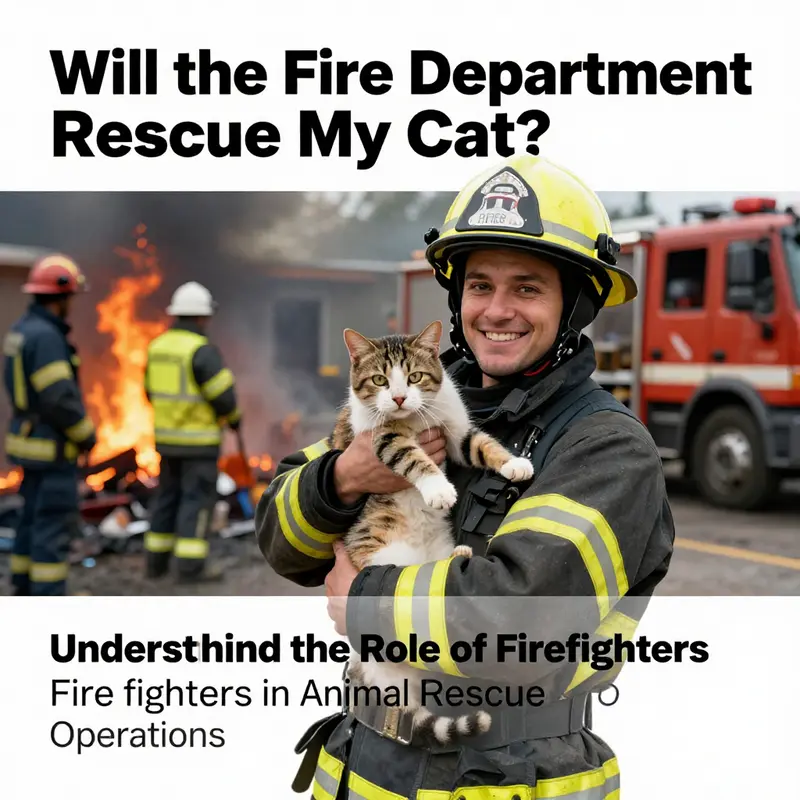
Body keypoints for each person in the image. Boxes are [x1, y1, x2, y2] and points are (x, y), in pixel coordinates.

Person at [255, 155, 676, 798]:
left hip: (508, 774)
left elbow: (519, 622)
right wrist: (345, 477)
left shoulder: (607, 448)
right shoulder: (416, 400)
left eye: (527, 288)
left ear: (574, 305)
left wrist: (360, 602)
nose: (496, 310)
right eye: (480, 285)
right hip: (362, 765)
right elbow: (279, 536)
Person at [3, 254, 97, 596]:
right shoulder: (46, 338)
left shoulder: (23, 330)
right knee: (53, 525)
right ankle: (48, 598)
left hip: (28, 444)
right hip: (51, 448)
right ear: (61, 297)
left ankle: (23, 586)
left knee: (30, 520)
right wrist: (86, 435)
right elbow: (59, 398)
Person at [143, 281, 242, 583]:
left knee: (166, 499)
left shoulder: (157, 347)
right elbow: (225, 398)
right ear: (201, 317)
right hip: (198, 445)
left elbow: (149, 391)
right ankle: (190, 568)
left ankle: (155, 565)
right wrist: (235, 419)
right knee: (195, 503)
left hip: (166, 443)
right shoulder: (202, 351)